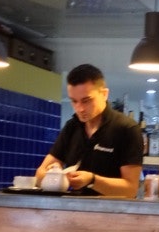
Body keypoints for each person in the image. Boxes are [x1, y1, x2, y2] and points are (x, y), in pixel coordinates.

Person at [36, 64, 143, 198]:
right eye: (74, 101)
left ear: (104, 94)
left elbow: (130, 190)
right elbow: (39, 175)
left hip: (113, 209)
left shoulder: (127, 129)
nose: (80, 108)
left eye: (86, 101)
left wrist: (92, 180)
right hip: (72, 207)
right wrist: (54, 173)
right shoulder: (71, 127)